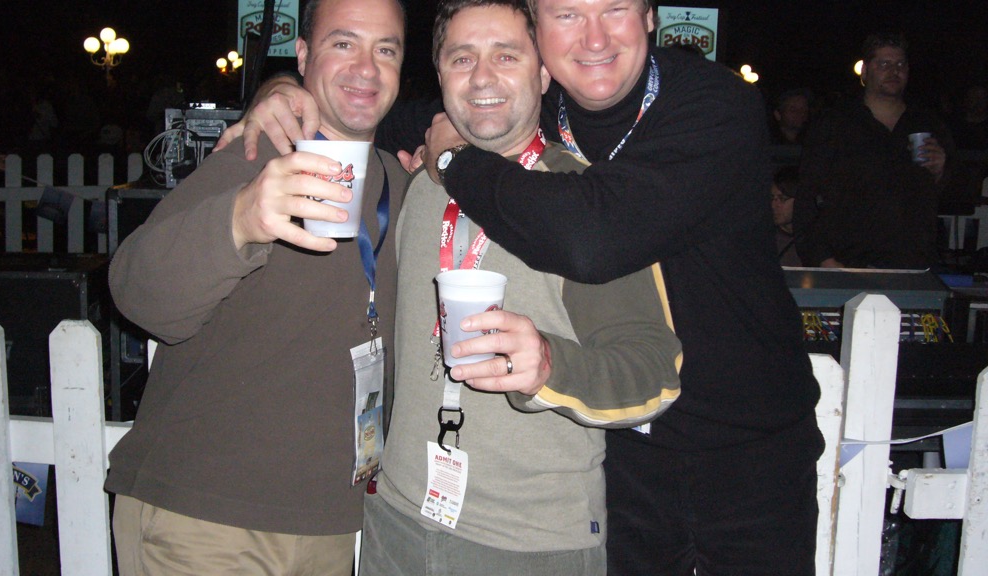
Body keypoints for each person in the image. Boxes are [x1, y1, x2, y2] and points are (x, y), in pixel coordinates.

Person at [223, 0, 824, 573]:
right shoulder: (534, 98)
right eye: (567, 14)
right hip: (624, 460)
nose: (593, 38)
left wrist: (456, 161)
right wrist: (286, 91)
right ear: (542, 38)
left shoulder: (712, 103)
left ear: (650, 18)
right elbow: (384, 105)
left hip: (746, 442)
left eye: (614, 10)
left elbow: (595, 237)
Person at [360, 2, 681, 574]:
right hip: (396, 521)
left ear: (543, 74)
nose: (482, 78)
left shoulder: (584, 202)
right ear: (440, 75)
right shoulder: (422, 187)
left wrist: (550, 366)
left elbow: (656, 372)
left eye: (506, 57)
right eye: (462, 58)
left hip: (529, 544)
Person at [104, 0, 409, 574]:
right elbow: (136, 293)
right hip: (204, 522)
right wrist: (242, 219)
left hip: (327, 526)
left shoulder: (402, 183)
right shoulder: (254, 153)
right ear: (304, 56)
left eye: (385, 49)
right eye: (343, 43)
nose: (366, 68)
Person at [796, 33, 955, 269]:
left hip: (911, 262)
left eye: (900, 64)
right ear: (865, 71)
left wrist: (941, 170)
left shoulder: (927, 123)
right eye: (884, 64)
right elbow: (808, 194)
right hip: (849, 260)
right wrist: (822, 258)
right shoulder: (836, 123)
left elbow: (953, 196)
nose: (894, 71)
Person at [773, 165, 803, 266]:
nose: (774, 205)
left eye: (782, 199)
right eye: (772, 198)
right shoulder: (764, 239)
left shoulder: (817, 241)